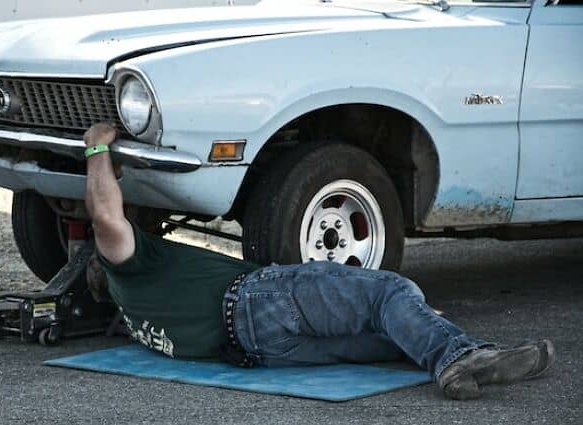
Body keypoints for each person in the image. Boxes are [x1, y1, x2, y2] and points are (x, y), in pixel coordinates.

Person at [83, 122, 554, 400]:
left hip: (262, 351)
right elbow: (104, 216)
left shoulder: (138, 319)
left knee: (394, 337)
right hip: (260, 300)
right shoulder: (128, 269)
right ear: (106, 267)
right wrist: (98, 147)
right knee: (389, 291)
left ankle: (459, 356)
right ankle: (461, 358)